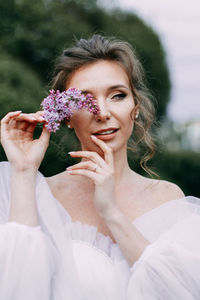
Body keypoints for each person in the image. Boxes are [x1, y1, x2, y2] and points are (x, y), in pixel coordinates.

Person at [0, 34, 200, 300]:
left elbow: (179, 292)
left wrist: (111, 212)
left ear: (136, 106)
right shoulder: (34, 196)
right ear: (66, 117)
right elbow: (14, 287)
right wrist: (24, 171)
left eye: (118, 95)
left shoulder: (168, 200)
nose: (103, 112)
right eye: (85, 100)